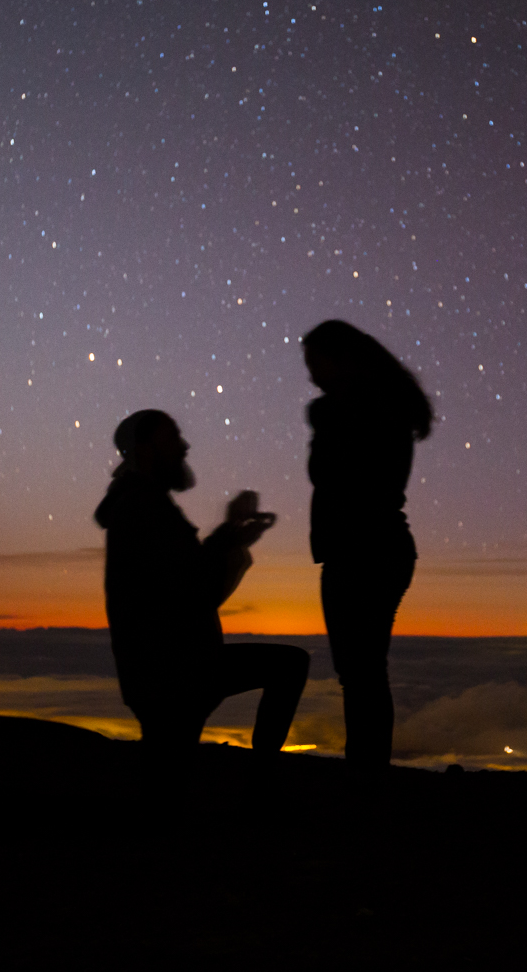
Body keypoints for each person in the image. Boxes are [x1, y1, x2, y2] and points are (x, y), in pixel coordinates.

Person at [94, 409, 309, 756]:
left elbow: (187, 572)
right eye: (172, 438)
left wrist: (231, 533)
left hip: (167, 669)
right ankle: (263, 784)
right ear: (145, 448)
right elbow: (196, 588)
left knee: (169, 768)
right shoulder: (142, 507)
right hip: (174, 673)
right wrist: (231, 539)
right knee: (289, 666)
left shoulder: (143, 503)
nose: (184, 446)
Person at [301, 321, 433, 768]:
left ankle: (365, 779)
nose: (311, 377)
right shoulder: (384, 405)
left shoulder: (357, 410)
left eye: (315, 364)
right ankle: (367, 773)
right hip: (380, 548)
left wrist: (321, 418)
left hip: (362, 551)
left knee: (360, 675)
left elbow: (333, 474)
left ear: (341, 360)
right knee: (365, 673)